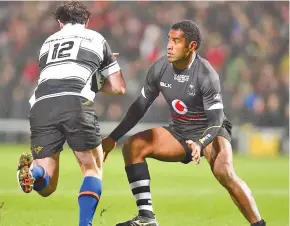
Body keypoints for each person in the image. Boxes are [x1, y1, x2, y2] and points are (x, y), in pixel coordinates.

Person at [102, 20, 266, 226]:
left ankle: (258, 224)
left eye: (176, 41)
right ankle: (146, 218)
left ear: (192, 46)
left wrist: (200, 143)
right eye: (169, 40)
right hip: (179, 131)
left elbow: (216, 120)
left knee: (225, 173)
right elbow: (139, 107)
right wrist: (113, 138)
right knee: (133, 146)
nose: (169, 46)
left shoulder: (206, 74)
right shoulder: (160, 68)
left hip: (209, 130)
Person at [16, 1, 126, 226]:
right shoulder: (96, 38)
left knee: (48, 187)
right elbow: (119, 87)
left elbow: (58, 73)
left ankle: (34, 172)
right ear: (87, 21)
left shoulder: (47, 43)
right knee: (92, 169)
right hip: (75, 102)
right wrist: (100, 72)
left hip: (41, 105)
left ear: (59, 22)